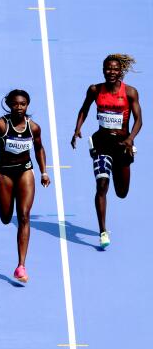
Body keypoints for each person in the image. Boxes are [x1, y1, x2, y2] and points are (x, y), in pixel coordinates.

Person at [72, 54, 142, 248]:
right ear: (103, 70)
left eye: (115, 69)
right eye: (107, 68)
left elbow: (139, 120)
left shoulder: (130, 92)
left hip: (122, 146)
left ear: (121, 71)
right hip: (101, 143)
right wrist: (77, 128)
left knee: (121, 192)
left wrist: (130, 139)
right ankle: (103, 231)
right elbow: (84, 109)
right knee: (102, 185)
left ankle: (120, 172)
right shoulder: (95, 90)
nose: (111, 72)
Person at [0, 89, 49, 284]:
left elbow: (39, 149)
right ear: (9, 104)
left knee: (24, 216)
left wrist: (44, 172)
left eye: (23, 104)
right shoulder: (0, 125)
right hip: (4, 174)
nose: (19, 107)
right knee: (5, 217)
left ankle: (21, 266)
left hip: (25, 172)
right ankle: (6, 210)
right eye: (15, 104)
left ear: (27, 105)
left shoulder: (33, 128)